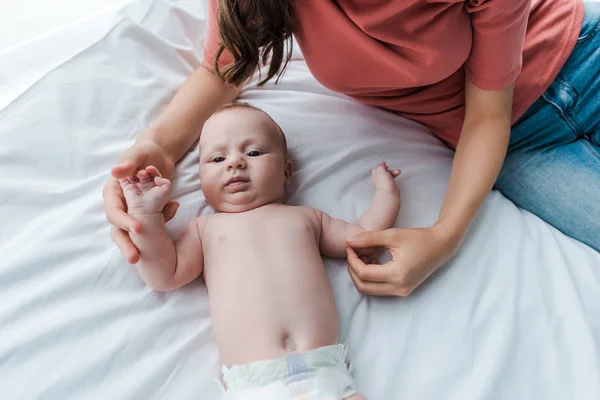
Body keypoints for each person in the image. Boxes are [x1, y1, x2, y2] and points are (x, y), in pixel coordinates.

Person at [104, 0, 600, 298]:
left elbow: (488, 112)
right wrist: (159, 146)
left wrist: (444, 236)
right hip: (522, 143)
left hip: (581, 55)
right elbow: (224, 67)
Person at [120, 103, 400, 398]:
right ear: (200, 178)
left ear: (286, 171)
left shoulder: (307, 218)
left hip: (326, 372)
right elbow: (164, 274)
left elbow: (363, 238)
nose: (235, 163)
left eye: (253, 152)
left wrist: (386, 193)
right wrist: (146, 216)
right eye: (217, 158)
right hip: (256, 383)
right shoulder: (205, 230)